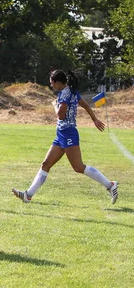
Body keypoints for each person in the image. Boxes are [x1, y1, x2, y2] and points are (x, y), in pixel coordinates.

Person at [12, 69, 118, 204]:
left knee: (78, 167)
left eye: (52, 83)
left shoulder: (64, 94)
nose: (51, 86)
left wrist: (55, 105)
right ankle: (28, 195)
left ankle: (110, 185)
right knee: (46, 164)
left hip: (68, 133)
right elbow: (85, 105)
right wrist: (94, 119)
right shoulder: (71, 91)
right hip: (62, 134)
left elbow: (60, 115)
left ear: (57, 82)